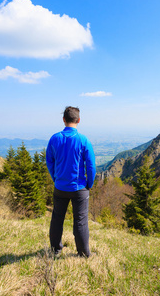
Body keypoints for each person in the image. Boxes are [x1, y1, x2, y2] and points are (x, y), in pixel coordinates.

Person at [46, 106, 96, 257]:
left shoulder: (54, 138)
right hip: (79, 187)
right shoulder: (83, 140)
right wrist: (89, 184)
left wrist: (56, 178)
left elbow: (50, 161)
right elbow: (91, 165)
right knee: (80, 221)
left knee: (57, 218)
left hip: (60, 187)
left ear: (63, 120)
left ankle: (55, 250)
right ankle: (83, 253)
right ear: (79, 120)